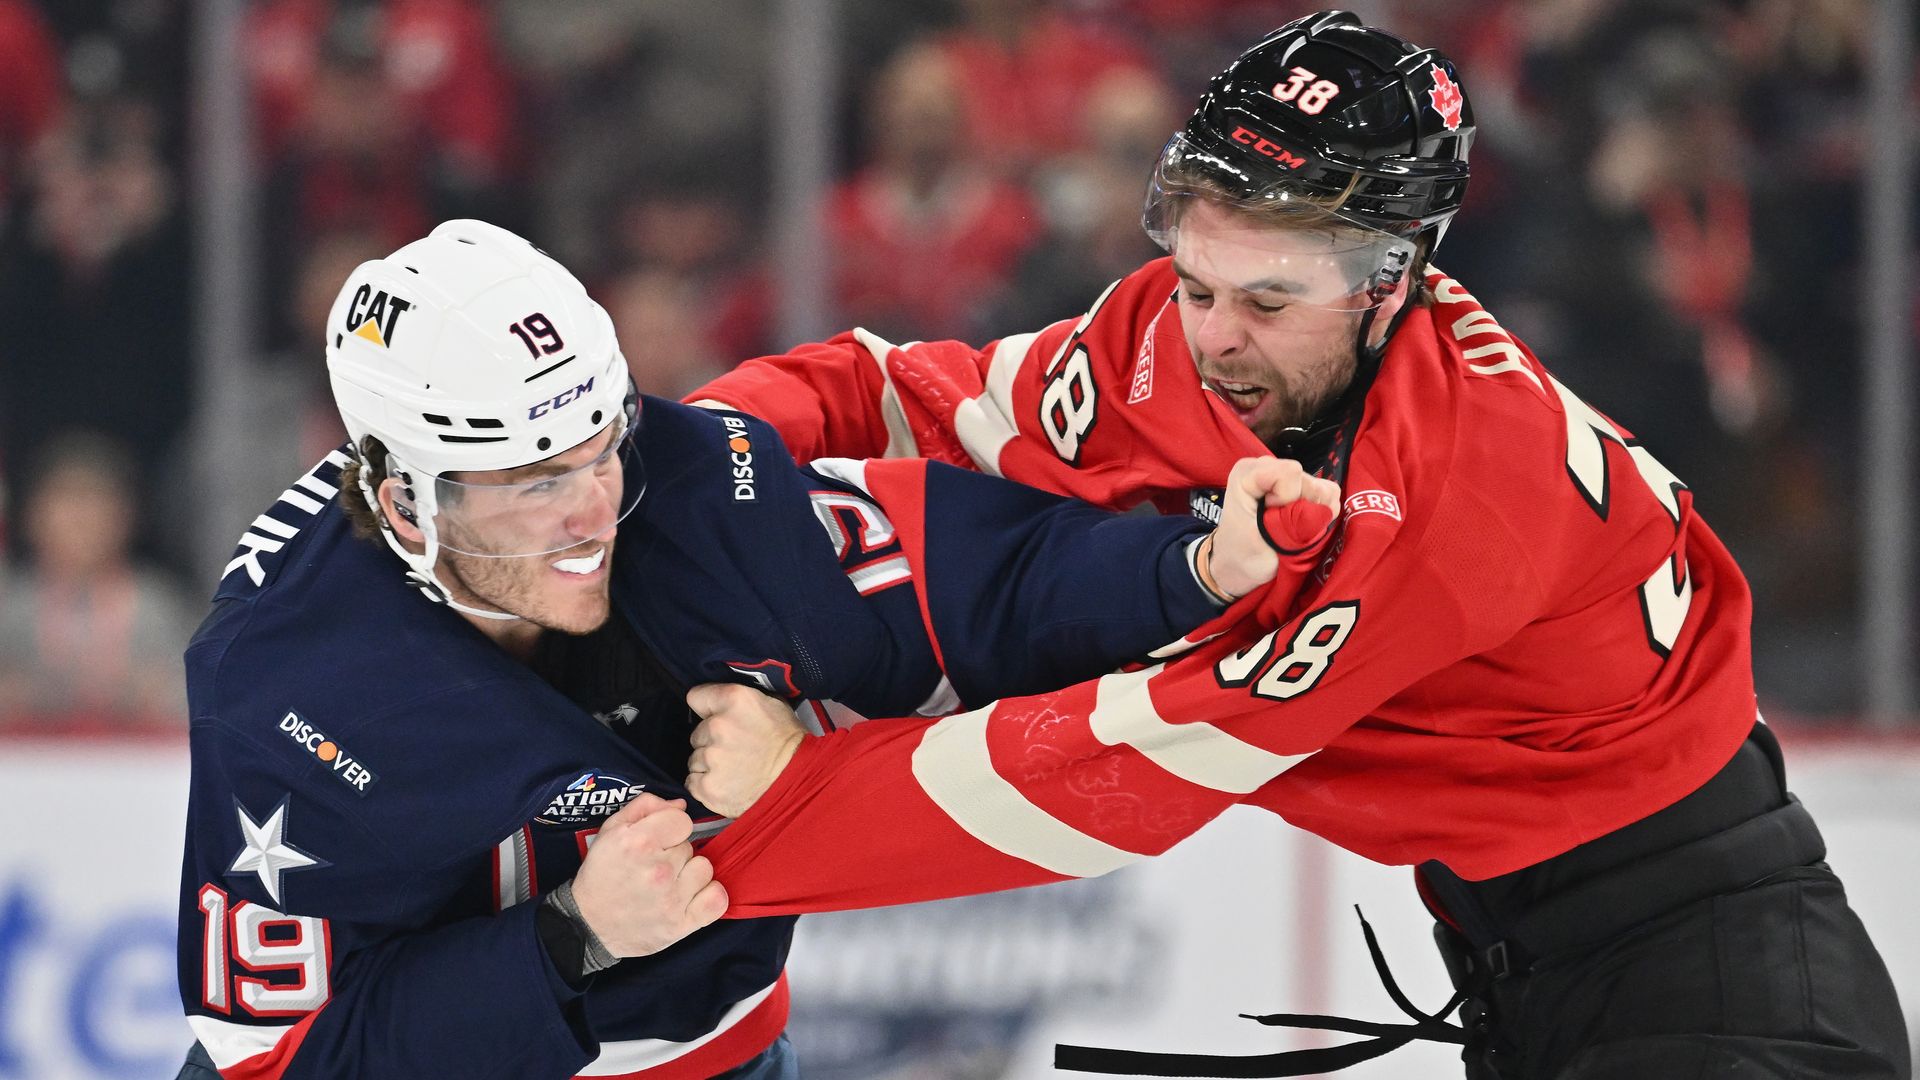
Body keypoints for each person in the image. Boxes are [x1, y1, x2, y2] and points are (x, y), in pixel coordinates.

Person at [682, 11, 1909, 1078]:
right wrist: (658, 462)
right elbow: (911, 393)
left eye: (1268, 304)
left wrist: (779, 812)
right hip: (1527, 956)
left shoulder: (1445, 494)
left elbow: (1126, 774)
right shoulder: (1189, 333)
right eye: (1198, 282)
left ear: (1393, 280)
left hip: (1721, 983)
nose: (1216, 338)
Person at [172, 218, 1317, 1079]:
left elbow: (981, 585)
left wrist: (1200, 566)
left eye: (595, 447)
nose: (588, 513)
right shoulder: (283, 688)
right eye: (531, 483)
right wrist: (572, 940)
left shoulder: (695, 496)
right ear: (407, 503)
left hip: (714, 1056)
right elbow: (288, 1056)